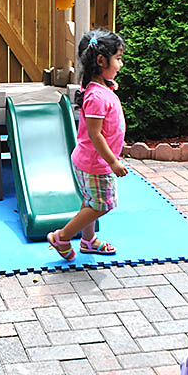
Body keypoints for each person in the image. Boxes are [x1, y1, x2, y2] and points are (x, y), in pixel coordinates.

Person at [47, 28, 127, 260]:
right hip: (96, 163)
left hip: (90, 160)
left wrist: (109, 87)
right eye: (118, 59)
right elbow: (95, 134)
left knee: (91, 200)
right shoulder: (96, 96)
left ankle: (88, 241)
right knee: (102, 205)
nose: (121, 65)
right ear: (102, 61)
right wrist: (113, 161)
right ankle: (61, 237)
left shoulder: (98, 88)